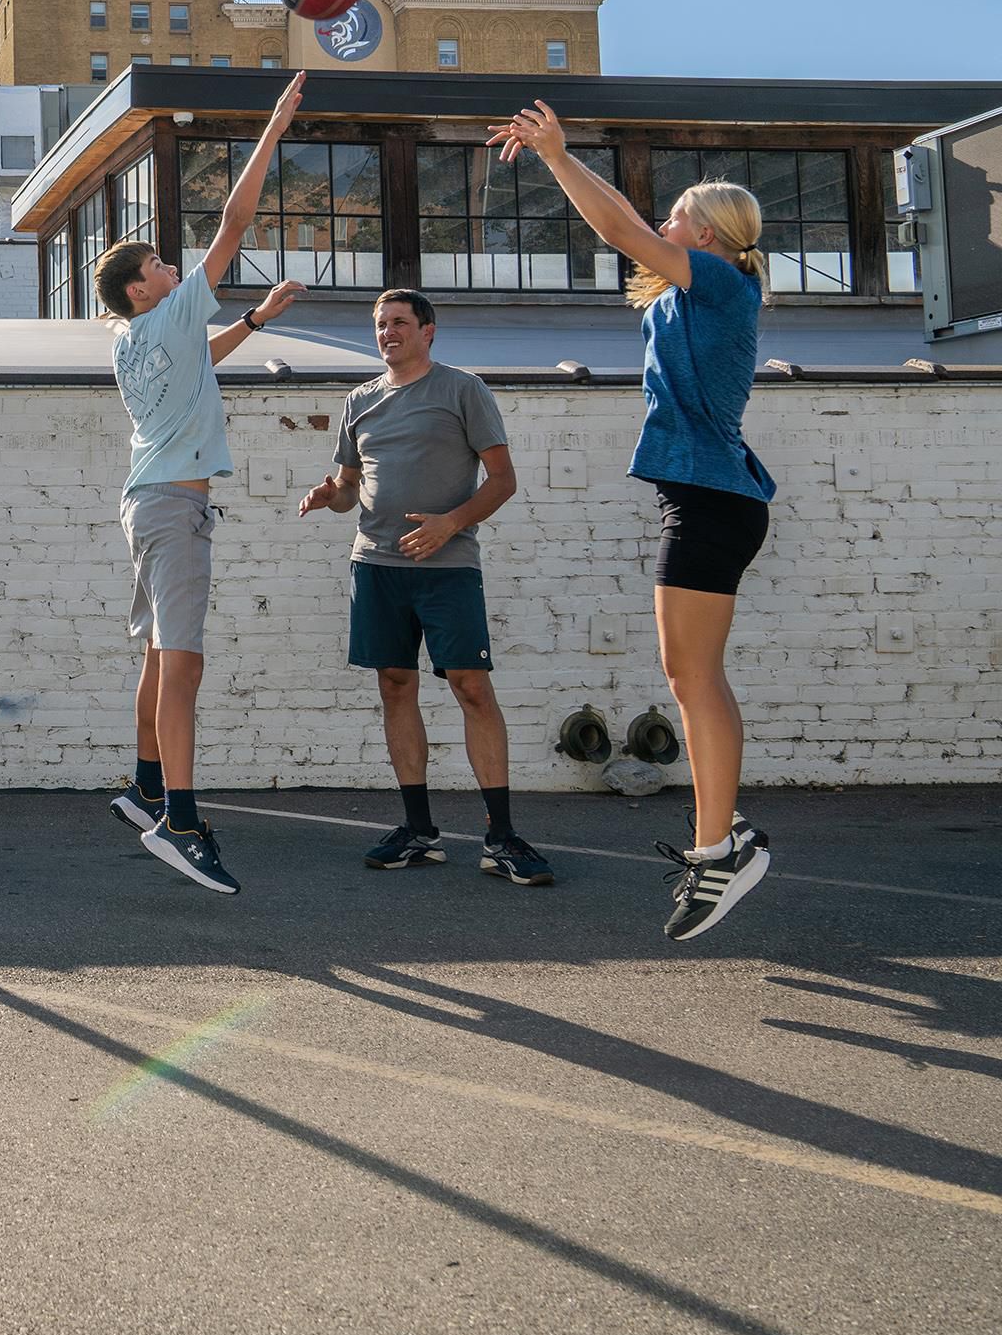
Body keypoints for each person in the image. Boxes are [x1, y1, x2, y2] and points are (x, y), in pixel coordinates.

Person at [489, 100, 774, 941]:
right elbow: (631, 241)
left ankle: (720, 848)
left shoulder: (724, 283)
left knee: (692, 679)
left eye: (677, 217)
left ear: (710, 236)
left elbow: (617, 229)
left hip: (714, 503)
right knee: (690, 677)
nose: (662, 222)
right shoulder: (685, 299)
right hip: (701, 501)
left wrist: (556, 156)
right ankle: (724, 841)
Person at [99, 71, 306, 894]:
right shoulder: (173, 309)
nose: (169, 262)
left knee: (159, 655)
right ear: (141, 287)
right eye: (157, 260)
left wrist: (254, 322)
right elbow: (235, 219)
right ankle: (180, 822)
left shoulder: (133, 341)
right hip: (172, 511)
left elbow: (198, 365)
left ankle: (146, 784)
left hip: (146, 503)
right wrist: (276, 124)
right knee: (183, 665)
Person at [299, 290, 554, 887]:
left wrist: (451, 524)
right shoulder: (359, 401)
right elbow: (346, 489)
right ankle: (419, 831)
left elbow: (503, 480)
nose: (388, 333)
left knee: (470, 687)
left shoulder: (463, 389)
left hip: (448, 568)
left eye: (399, 323)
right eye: (380, 325)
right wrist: (327, 496)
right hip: (377, 566)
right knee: (395, 686)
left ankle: (502, 835)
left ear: (428, 331)